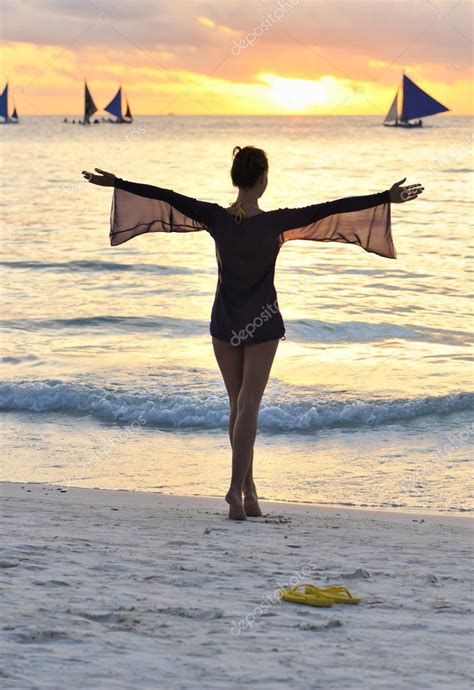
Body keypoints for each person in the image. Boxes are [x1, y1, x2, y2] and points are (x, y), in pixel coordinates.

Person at [82, 146, 423, 520]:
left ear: (236, 179)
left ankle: (249, 491)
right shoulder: (275, 223)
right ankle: (233, 489)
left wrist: (119, 183)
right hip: (262, 323)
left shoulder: (214, 217)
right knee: (249, 406)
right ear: (263, 180)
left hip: (224, 322)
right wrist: (385, 198)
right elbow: (332, 208)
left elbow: (166, 196)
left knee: (237, 405)